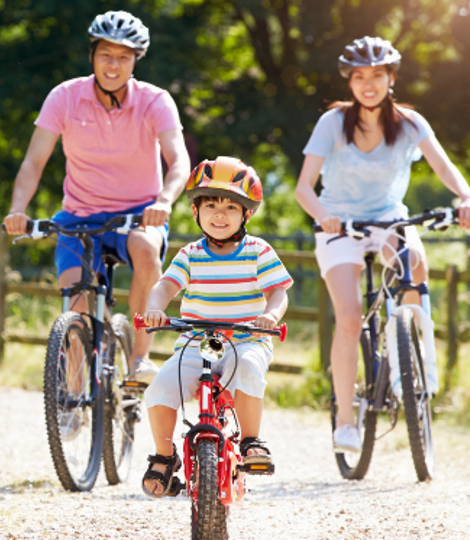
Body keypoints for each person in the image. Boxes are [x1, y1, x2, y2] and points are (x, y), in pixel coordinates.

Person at [295, 36, 470, 453]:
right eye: (359, 77)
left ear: (391, 78)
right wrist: (325, 217)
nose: (368, 84)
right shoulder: (333, 123)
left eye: (377, 75)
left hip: (391, 218)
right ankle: (344, 423)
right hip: (340, 224)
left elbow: (446, 168)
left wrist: (465, 197)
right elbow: (303, 188)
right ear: (350, 82)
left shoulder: (410, 123)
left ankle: (410, 356)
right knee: (351, 318)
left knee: (415, 265)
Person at [3, 11, 191, 385]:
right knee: (74, 293)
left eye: (123, 56)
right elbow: (33, 161)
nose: (113, 64)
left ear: (136, 59)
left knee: (145, 248)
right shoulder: (65, 97)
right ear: (92, 55)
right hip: (78, 216)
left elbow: (179, 160)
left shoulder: (156, 101)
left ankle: (139, 357)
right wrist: (17, 209)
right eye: (106, 54)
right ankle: (73, 388)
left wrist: (165, 201)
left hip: (139, 214)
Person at [141, 156, 293, 498]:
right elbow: (165, 286)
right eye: (210, 205)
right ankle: (164, 456)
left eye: (230, 207)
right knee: (161, 387)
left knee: (250, 369)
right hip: (197, 340)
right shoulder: (190, 254)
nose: (220, 214)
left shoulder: (258, 251)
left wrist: (270, 315)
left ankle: (252, 440)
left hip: (246, 338)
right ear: (195, 212)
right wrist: (155, 308)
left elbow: (278, 291)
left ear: (246, 215)